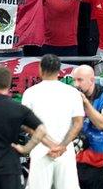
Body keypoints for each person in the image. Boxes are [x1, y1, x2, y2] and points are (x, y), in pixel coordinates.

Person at [19, 54, 83, 189]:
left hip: (40, 147)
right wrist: (61, 145)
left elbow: (25, 124)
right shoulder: (72, 92)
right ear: (59, 70)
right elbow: (78, 123)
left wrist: (49, 144)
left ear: (40, 69)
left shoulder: (30, 92)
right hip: (65, 150)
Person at [72, 64, 103, 189]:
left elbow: (102, 124)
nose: (76, 84)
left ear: (92, 80)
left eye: (80, 80)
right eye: (74, 80)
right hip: (76, 159)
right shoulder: (71, 97)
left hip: (100, 162)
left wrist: (85, 103)